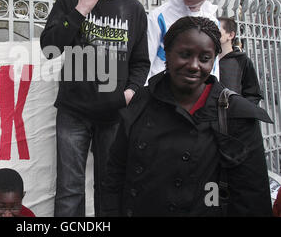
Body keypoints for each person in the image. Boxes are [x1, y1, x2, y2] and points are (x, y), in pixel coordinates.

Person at [102, 16, 273, 216]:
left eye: (204, 58)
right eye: (185, 54)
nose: (194, 65)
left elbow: (252, 198)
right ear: (167, 53)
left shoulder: (235, 114)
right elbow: (115, 173)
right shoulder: (142, 100)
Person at [40, 0, 150, 217]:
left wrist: (129, 93)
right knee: (69, 190)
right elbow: (49, 48)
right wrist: (81, 9)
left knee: (110, 187)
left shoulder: (133, 9)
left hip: (114, 115)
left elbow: (141, 62)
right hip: (73, 111)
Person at [146, 0, 221, 83]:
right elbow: (146, 63)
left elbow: (214, 68)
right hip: (161, 93)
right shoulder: (160, 16)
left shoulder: (213, 22)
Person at [218, 17, 262, 105]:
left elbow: (253, 94)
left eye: (217, 32)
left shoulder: (242, 60)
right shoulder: (207, 59)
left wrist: (240, 110)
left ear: (230, 35)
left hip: (232, 115)